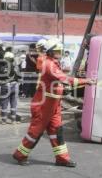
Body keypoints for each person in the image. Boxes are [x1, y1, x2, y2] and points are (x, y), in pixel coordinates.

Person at [12, 38, 95, 167]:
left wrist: (63, 88)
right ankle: (20, 154)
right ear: (50, 51)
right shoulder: (49, 64)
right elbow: (64, 79)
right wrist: (86, 81)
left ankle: (62, 158)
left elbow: (57, 82)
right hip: (43, 105)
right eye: (56, 50)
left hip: (53, 104)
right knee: (36, 132)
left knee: (57, 131)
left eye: (60, 50)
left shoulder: (54, 63)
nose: (59, 52)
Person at [0, 51, 20, 124]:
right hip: (15, 85)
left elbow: (0, 77)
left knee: (4, 103)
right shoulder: (16, 67)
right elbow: (19, 76)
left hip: (5, 86)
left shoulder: (3, 67)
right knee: (13, 103)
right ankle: (13, 120)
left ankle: (4, 120)